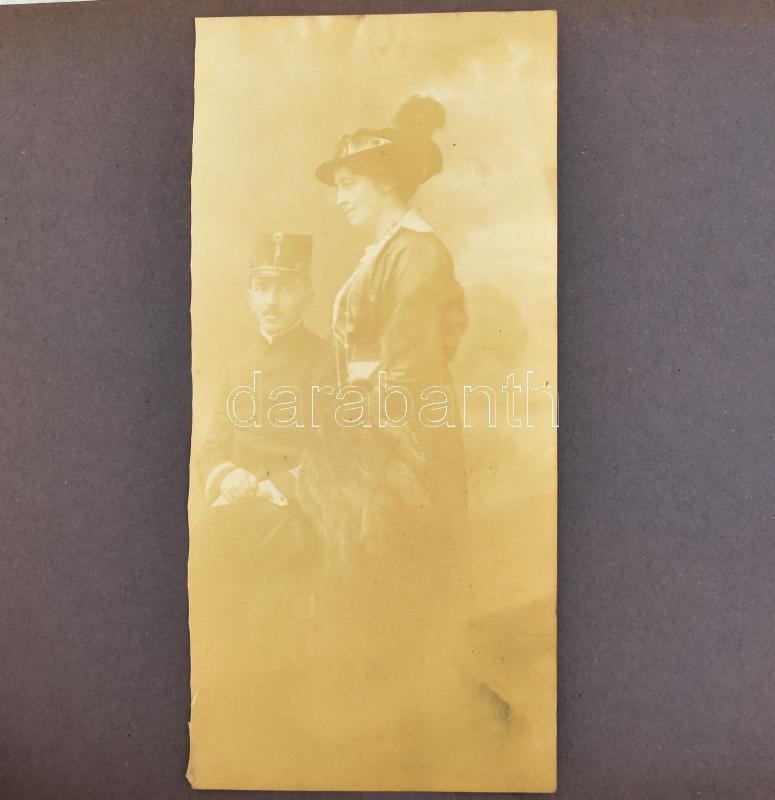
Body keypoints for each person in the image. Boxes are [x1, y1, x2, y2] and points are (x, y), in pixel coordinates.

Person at [296, 96, 470, 775]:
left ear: (386, 184)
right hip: (368, 428)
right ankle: (368, 724)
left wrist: (355, 423)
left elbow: (411, 366)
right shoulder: (383, 252)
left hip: (405, 440)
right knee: (345, 560)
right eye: (338, 186)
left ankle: (405, 735)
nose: (339, 198)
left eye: (349, 185)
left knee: (387, 565)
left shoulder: (417, 254)